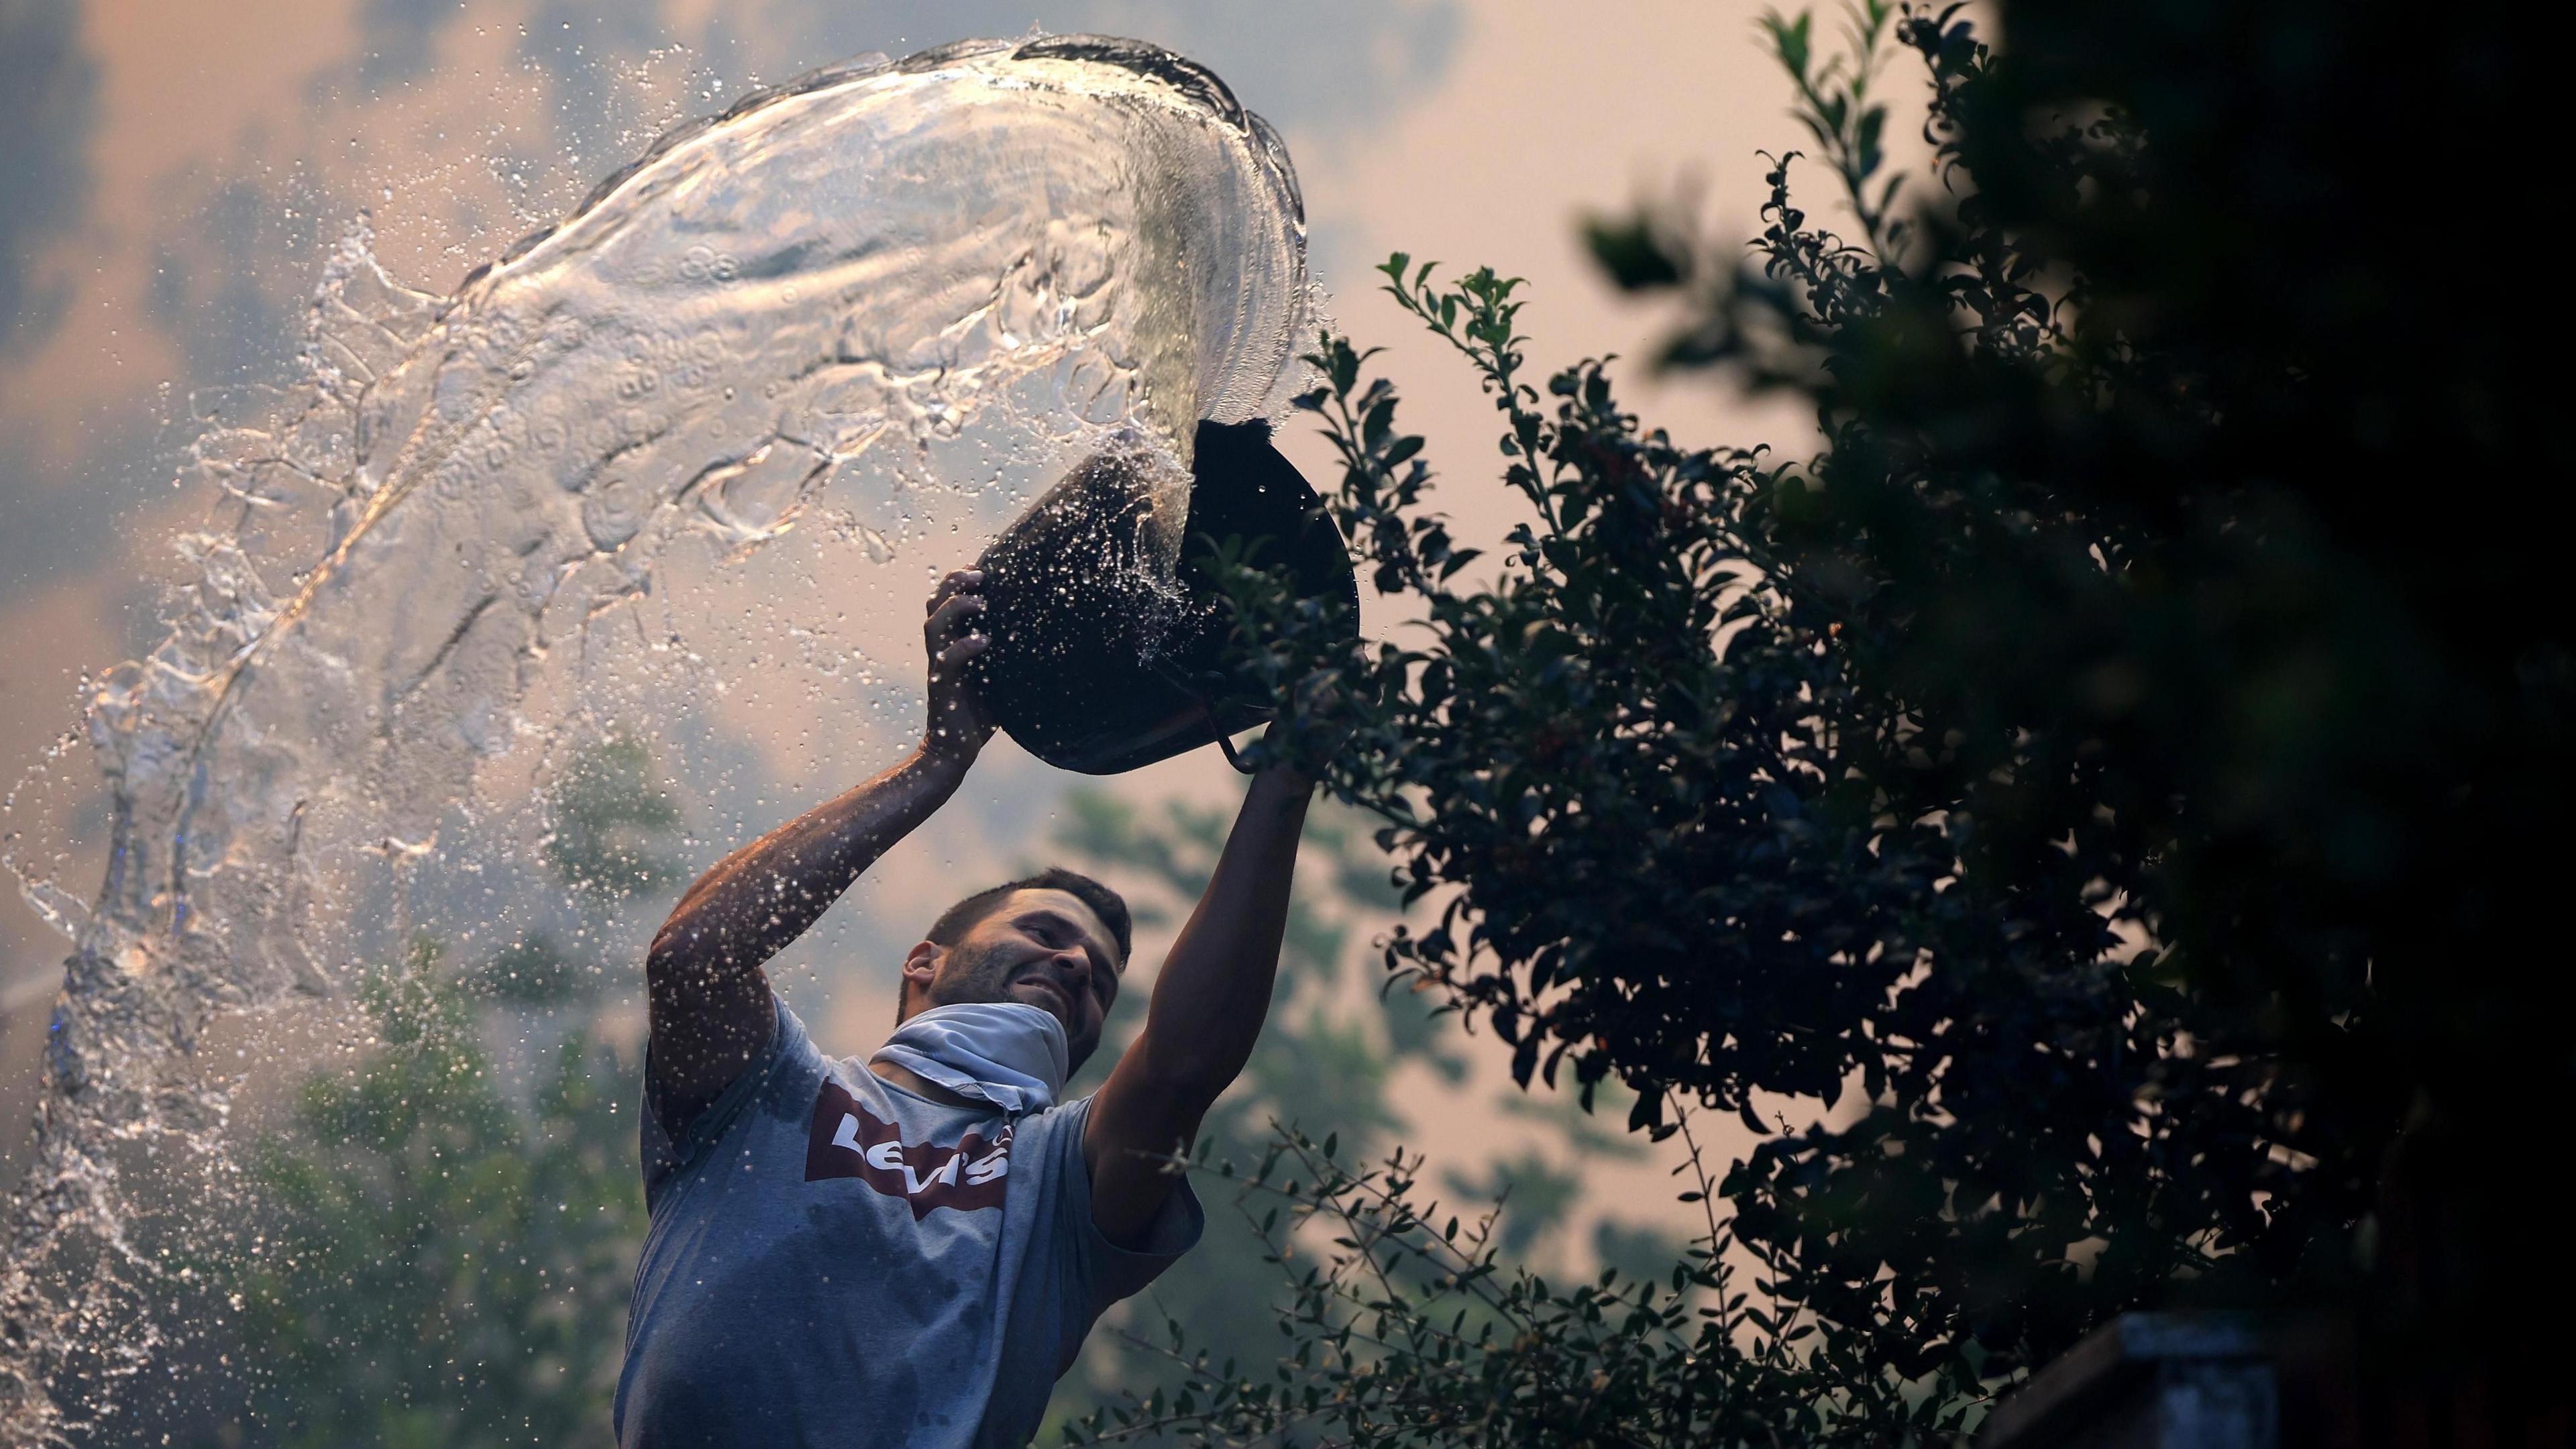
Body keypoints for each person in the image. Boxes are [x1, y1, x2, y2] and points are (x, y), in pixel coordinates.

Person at [614, 566, 1321, 1448]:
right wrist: (935, 763)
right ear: (924, 962)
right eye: (1047, 932)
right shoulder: (770, 1093)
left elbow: (1180, 1068)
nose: (1075, 964)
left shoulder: (1060, 1186)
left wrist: (1294, 757)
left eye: (1101, 981)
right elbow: (692, 959)